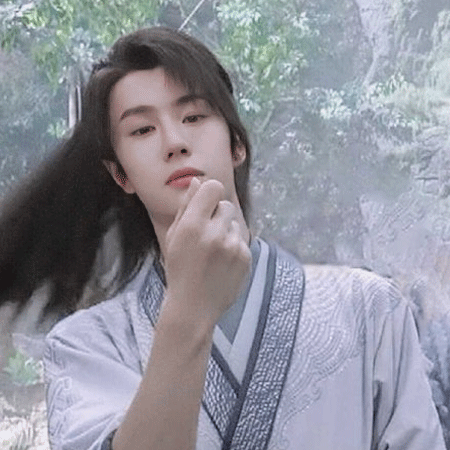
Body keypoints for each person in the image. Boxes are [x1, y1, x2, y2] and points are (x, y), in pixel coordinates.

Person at [0, 27, 445, 450]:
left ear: (237, 144)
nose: (174, 142)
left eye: (193, 116)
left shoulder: (368, 308)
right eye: (142, 130)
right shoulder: (87, 345)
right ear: (121, 175)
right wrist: (189, 307)